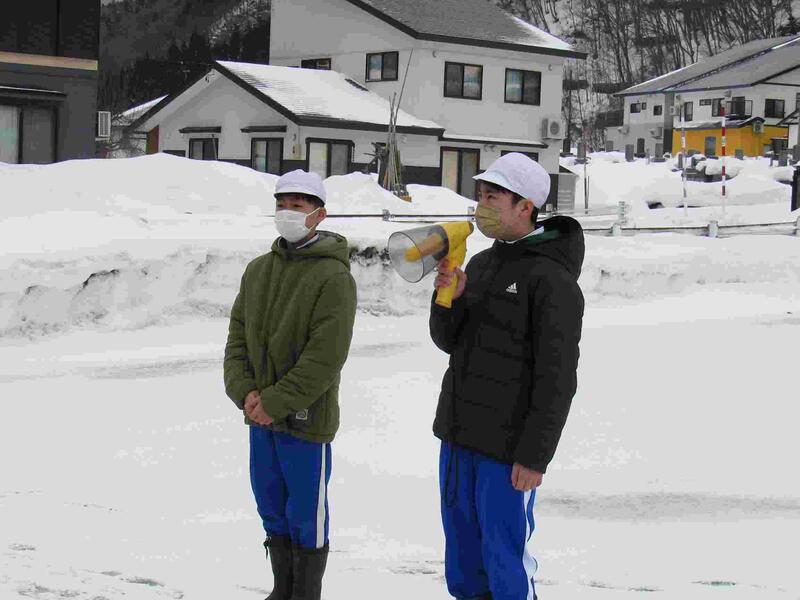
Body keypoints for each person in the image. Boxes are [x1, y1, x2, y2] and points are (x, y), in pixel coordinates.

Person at [429, 152, 585, 600]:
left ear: (525, 206)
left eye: (493, 197)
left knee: (505, 562)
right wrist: (449, 299)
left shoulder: (552, 280)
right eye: (480, 195)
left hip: (507, 451)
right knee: (464, 564)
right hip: (458, 437)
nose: (482, 205)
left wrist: (535, 456)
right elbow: (448, 341)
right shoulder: (481, 264)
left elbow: (557, 378)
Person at [224, 169, 357, 600]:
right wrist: (245, 392)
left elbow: (325, 357)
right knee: (270, 505)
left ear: (319, 214)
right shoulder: (258, 270)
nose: (288, 212)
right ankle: (282, 589)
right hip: (260, 418)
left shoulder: (333, 277)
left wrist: (276, 401)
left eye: (298, 205)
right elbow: (237, 339)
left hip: (305, 420)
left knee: (305, 515)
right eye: (282, 204)